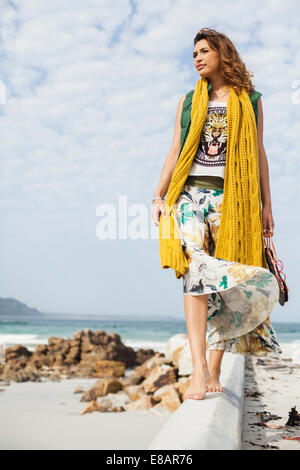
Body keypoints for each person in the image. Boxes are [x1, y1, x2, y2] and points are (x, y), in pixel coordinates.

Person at [152, 28, 281, 401]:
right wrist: (158, 195)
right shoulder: (189, 101)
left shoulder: (250, 100)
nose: (196, 57)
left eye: (204, 50)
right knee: (194, 270)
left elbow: (259, 154)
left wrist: (266, 205)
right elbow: (175, 150)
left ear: (223, 54)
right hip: (190, 194)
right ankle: (197, 369)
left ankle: (215, 367)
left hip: (233, 199)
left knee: (225, 282)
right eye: (194, 52)